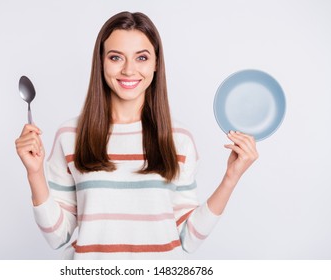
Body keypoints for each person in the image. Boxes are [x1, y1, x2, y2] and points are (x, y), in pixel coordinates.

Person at [15, 11, 258, 260]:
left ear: (156, 64)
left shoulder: (179, 138)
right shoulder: (71, 136)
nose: (129, 70)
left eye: (141, 57)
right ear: (101, 62)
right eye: (116, 57)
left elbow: (189, 237)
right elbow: (58, 236)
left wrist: (231, 176)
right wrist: (34, 173)